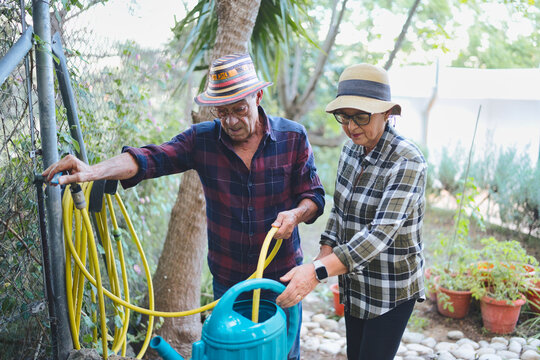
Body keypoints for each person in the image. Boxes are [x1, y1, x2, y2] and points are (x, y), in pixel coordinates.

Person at [43, 53, 325, 360]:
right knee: (233, 354)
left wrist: (295, 215)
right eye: (222, 111)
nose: (230, 121)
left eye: (239, 109)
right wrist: (94, 170)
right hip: (229, 282)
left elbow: (314, 197)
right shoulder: (202, 140)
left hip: (283, 278)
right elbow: (148, 158)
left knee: (283, 354)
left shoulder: (292, 136)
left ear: (257, 96)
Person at [276, 63, 427, 360]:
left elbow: (379, 235)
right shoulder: (351, 149)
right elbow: (340, 211)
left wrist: (317, 272)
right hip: (354, 280)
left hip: (390, 288)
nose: (352, 127)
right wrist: (322, 255)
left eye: (361, 117)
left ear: (387, 114)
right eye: (344, 117)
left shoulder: (407, 160)